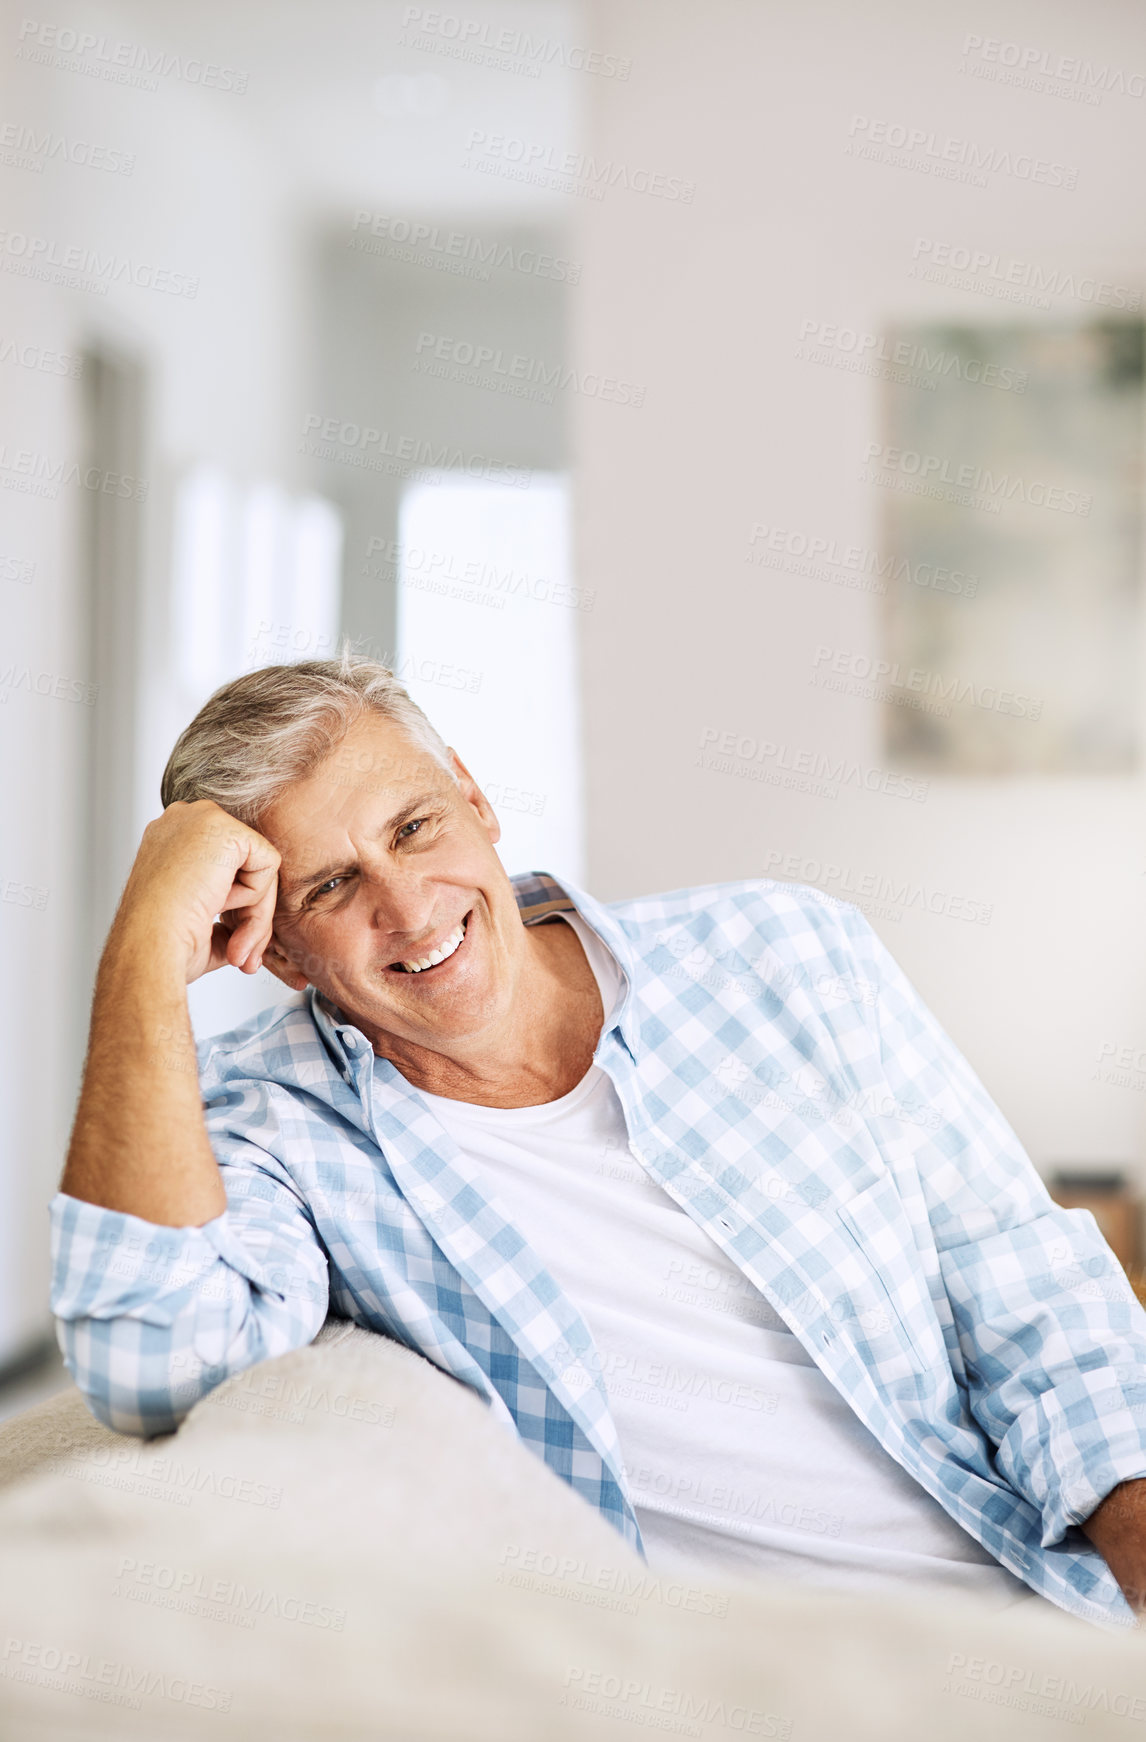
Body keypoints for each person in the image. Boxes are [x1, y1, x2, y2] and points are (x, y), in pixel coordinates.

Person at [52, 654, 1146, 1628]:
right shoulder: (276, 1118)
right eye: (333, 886)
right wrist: (143, 945)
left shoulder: (783, 948)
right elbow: (154, 1359)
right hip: (753, 1684)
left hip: (1041, 1603)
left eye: (415, 826)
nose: (409, 905)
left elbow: (1018, 1276)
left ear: (475, 798)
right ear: (280, 952)